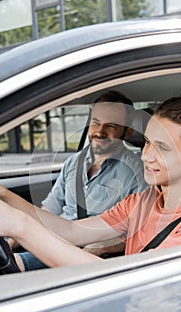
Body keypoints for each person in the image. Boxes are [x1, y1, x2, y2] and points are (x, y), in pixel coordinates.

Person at [0, 96, 181, 271]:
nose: (146, 155)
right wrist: (0, 193)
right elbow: (72, 231)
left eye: (162, 148)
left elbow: (139, 279)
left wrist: (18, 226)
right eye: (148, 143)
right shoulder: (143, 201)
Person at [40, 90, 146, 257]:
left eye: (111, 126)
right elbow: (49, 210)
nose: (100, 132)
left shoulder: (137, 172)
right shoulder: (74, 162)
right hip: (54, 240)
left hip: (85, 254)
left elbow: (138, 230)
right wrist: (15, 238)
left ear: (127, 132)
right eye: (96, 122)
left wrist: (100, 248)